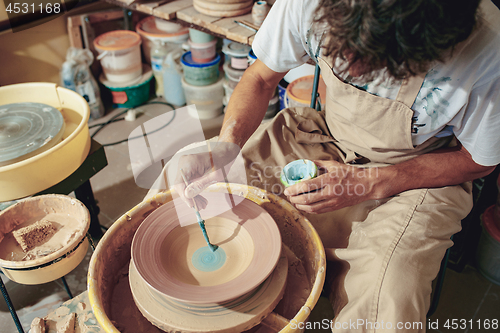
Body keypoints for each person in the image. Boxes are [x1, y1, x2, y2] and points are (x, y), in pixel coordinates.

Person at [149, 0, 500, 331]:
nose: (352, 70)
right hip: (321, 136)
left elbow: (478, 161)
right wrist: (226, 145)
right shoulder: (311, 3)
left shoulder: (487, 45)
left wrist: (373, 182)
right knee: (185, 194)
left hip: (419, 171)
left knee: (390, 295)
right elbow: (259, 78)